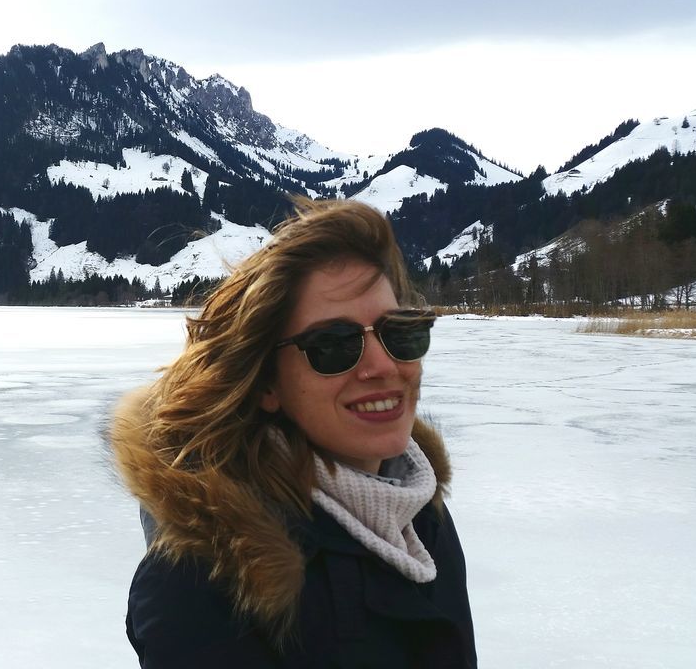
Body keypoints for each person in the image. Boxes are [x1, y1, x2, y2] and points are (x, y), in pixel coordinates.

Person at [111, 199, 476, 667]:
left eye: (399, 332)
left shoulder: (421, 517)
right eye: (332, 345)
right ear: (267, 384)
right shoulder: (213, 582)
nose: (384, 366)